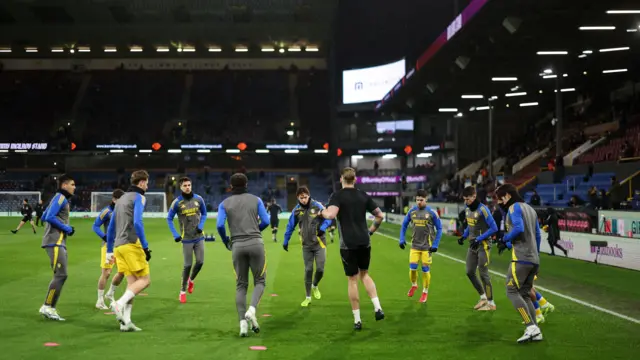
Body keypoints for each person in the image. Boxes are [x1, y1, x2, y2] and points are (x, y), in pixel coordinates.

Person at [316, 167, 385, 330]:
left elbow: (331, 215)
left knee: (352, 280)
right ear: (354, 180)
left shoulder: (337, 196)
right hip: (364, 241)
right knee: (365, 274)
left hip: (348, 243)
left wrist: (322, 211)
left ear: (341, 179)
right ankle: (378, 307)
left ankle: (357, 320)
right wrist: (371, 231)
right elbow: (380, 215)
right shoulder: (363, 195)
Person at [216, 173, 270, 337]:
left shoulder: (224, 203)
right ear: (247, 184)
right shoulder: (256, 200)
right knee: (260, 281)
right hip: (256, 244)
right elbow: (266, 221)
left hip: (237, 246)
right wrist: (255, 231)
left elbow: (219, 225)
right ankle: (252, 310)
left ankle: (242, 325)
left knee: (241, 285)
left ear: (231, 186)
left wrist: (227, 240)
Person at [495, 183, 543, 343]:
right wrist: (537, 257)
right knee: (524, 293)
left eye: (500, 199)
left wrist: (504, 238)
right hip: (533, 259)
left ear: (507, 196)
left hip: (521, 258)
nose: (499, 203)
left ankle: (530, 326)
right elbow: (537, 236)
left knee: (511, 291)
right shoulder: (530, 209)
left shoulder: (513, 208)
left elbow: (518, 228)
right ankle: (536, 331)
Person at [106, 170, 152, 332]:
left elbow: (111, 226)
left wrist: (109, 250)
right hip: (131, 243)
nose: (147, 185)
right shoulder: (139, 197)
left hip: (119, 246)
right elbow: (138, 222)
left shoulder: (121, 199)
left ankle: (126, 322)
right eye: (146, 182)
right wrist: (145, 246)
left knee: (132, 284)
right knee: (145, 280)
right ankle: (118, 304)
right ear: (141, 183)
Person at [283, 186, 332, 307]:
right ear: (298, 198)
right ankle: (308, 297)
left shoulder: (318, 206)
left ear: (308, 196)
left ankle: (315, 285)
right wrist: (286, 240)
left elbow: (329, 218)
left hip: (320, 243)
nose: (304, 200)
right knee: (308, 270)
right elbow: (290, 226)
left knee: (320, 269)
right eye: (301, 198)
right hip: (306, 245)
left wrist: (322, 228)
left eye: (305, 197)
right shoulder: (296, 210)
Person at [39, 175, 76, 321]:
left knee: (61, 275)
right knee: (61, 275)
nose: (74, 187)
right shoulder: (60, 197)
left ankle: (49, 306)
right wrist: (66, 228)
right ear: (64, 185)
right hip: (55, 242)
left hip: (56, 241)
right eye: (72, 184)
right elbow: (48, 217)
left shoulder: (58, 198)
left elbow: (43, 216)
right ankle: (48, 306)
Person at [167, 177, 208, 303]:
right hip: (186, 239)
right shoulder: (177, 203)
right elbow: (169, 219)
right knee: (187, 265)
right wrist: (175, 234)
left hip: (199, 237)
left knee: (200, 262)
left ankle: (191, 280)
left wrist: (201, 226)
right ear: (180, 187)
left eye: (189, 185)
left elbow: (205, 214)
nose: (187, 187)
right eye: (185, 185)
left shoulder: (199, 199)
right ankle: (182, 291)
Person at [458, 186, 498, 311]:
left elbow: (494, 228)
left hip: (483, 245)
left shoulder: (483, 209)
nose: (466, 202)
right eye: (464, 199)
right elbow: (470, 226)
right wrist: (463, 236)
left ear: (474, 196)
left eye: (468, 199)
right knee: (469, 272)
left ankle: (491, 303)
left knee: (483, 273)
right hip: (472, 244)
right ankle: (483, 297)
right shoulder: (467, 209)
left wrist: (479, 239)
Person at [399, 189, 442, 303]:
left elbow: (440, 229)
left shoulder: (432, 213)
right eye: (417, 199)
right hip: (415, 246)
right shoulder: (412, 211)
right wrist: (402, 239)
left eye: (421, 200)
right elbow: (404, 225)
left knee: (425, 269)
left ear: (426, 199)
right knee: (412, 268)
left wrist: (436, 244)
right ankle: (414, 285)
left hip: (427, 247)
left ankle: (425, 292)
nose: (419, 202)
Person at [92, 189, 126, 310]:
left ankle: (110, 293)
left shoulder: (124, 211)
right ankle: (100, 300)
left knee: (122, 271)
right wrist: (104, 236)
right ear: (114, 199)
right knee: (106, 273)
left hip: (122, 245)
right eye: (120, 200)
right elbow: (95, 226)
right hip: (108, 246)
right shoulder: (106, 211)